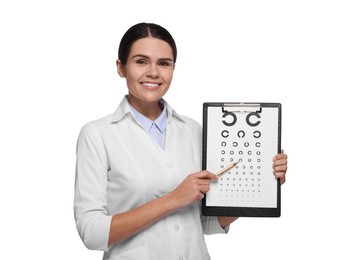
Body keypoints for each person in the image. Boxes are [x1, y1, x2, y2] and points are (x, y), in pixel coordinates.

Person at [73, 22, 288, 260]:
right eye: (141, 61)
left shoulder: (194, 130)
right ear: (121, 67)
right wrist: (173, 200)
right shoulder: (97, 134)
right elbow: (91, 232)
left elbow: (206, 223)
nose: (153, 72)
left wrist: (262, 184)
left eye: (164, 63)